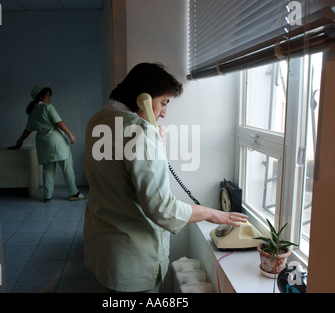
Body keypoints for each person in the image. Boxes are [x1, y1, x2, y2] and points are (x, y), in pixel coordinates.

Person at [83, 63, 248, 293]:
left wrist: (154, 143)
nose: (163, 112)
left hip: (104, 249)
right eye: (164, 102)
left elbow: (118, 173)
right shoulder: (139, 133)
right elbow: (162, 208)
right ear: (143, 98)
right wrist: (210, 213)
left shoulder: (99, 120)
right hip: (133, 259)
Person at [10, 85, 86, 203]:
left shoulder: (33, 111)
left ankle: (47, 196)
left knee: (48, 169)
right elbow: (58, 122)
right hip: (56, 141)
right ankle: (74, 193)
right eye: (47, 95)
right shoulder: (48, 107)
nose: (50, 98)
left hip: (43, 144)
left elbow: (28, 129)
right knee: (67, 167)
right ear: (40, 96)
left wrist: (20, 141)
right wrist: (70, 134)